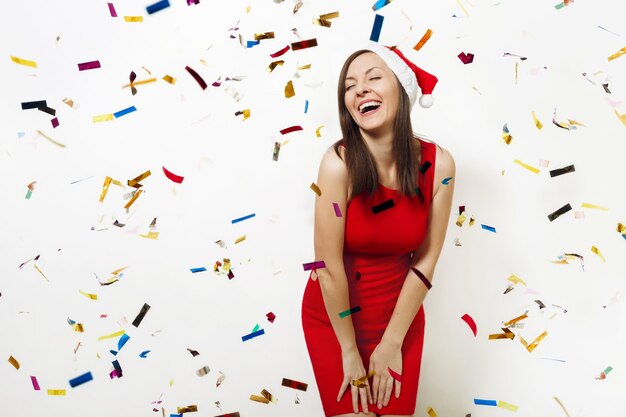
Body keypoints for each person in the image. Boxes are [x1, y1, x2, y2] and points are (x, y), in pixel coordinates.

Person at [301, 42, 456, 417]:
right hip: (335, 323)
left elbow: (427, 257)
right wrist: (349, 352)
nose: (360, 90)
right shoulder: (337, 165)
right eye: (350, 85)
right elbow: (327, 267)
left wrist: (392, 343)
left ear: (401, 91)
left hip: (399, 322)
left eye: (373, 78)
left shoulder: (441, 165)